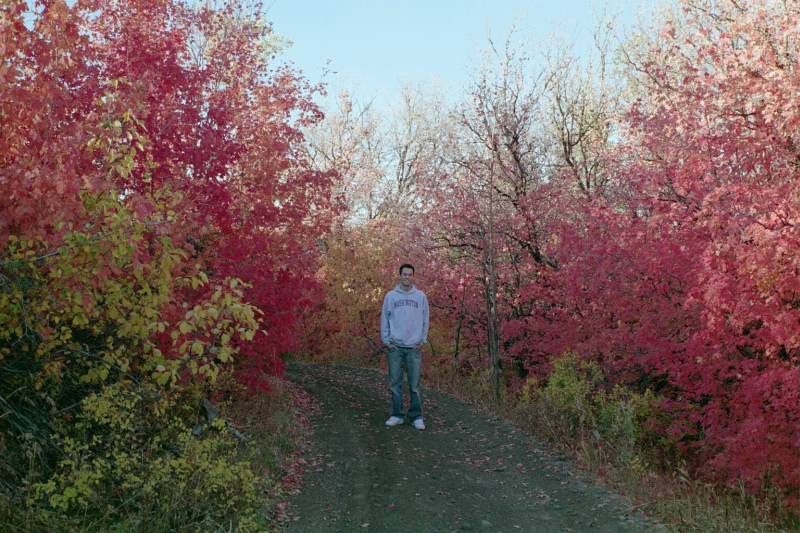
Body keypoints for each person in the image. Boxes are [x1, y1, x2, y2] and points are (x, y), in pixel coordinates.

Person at [380, 263, 429, 430]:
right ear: (400, 276)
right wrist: (386, 340)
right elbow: (384, 319)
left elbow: (425, 320)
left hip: (414, 347)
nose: (407, 277)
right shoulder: (391, 296)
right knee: (395, 383)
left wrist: (422, 340)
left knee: (414, 385)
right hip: (395, 347)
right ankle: (397, 415)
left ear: (413, 277)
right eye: (405, 274)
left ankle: (416, 416)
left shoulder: (421, 296)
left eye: (410, 275)